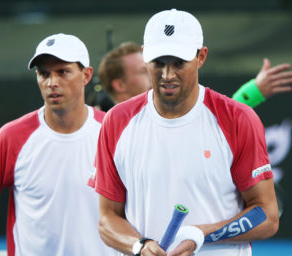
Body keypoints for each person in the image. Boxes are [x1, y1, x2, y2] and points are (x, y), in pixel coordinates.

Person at [92, 9, 279, 256]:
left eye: (179, 63)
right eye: (158, 63)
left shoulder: (238, 119)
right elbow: (107, 219)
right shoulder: (116, 121)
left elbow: (267, 216)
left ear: (201, 57)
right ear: (145, 55)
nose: (168, 75)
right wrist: (139, 246)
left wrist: (200, 234)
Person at [0, 33, 116, 256]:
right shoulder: (11, 137)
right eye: (43, 73)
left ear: (86, 75)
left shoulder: (114, 132)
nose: (52, 82)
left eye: (63, 72)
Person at [97, 43, 292, 109]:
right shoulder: (103, 132)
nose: (159, 73)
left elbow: (215, 129)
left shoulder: (170, 116)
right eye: (144, 70)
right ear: (119, 85)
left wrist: (253, 93)